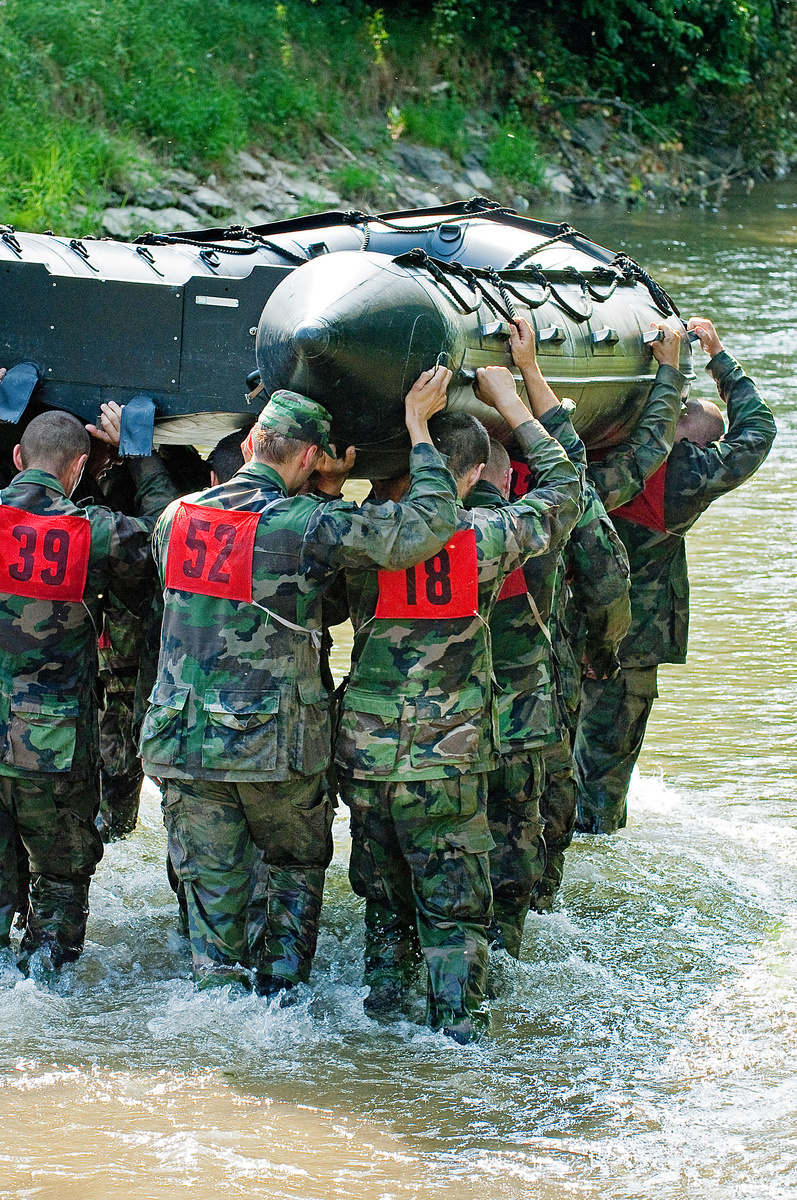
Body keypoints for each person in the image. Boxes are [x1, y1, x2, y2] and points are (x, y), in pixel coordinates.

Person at [140, 372, 460, 995]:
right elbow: (426, 527)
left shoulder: (176, 518)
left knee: (212, 888)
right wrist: (419, 428)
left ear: (256, 438)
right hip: (276, 746)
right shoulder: (309, 526)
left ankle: (219, 1008)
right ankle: (282, 1002)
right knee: (292, 867)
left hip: (183, 741)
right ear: (313, 458)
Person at [337, 366, 582, 1042]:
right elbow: (567, 490)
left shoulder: (361, 536)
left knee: (383, 904)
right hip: (446, 758)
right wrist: (513, 397)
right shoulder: (489, 541)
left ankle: (378, 1022)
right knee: (454, 912)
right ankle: (453, 1041)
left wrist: (404, 430)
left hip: (366, 752)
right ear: (474, 476)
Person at [575, 317, 777, 833]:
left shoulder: (602, 454)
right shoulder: (687, 479)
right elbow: (758, 431)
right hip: (631, 648)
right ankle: (596, 866)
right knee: (604, 776)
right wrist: (721, 360)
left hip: (563, 635)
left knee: (552, 768)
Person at [0, 403, 174, 969]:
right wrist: (139, 456)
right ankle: (48, 989)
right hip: (53, 744)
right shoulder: (93, 530)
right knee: (61, 877)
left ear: (20, 458)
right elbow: (171, 542)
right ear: (77, 468)